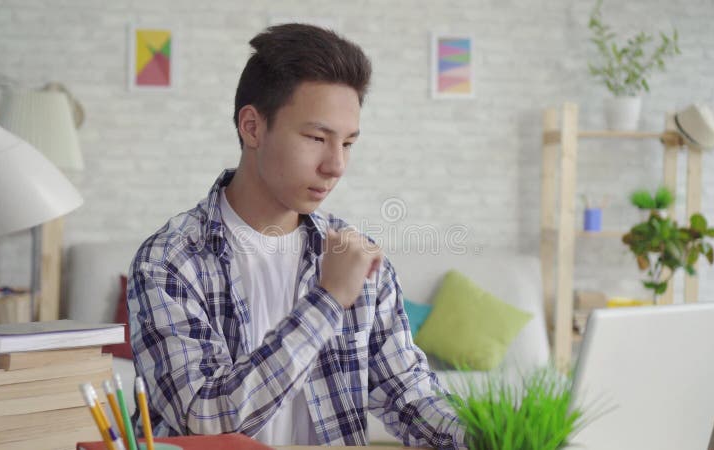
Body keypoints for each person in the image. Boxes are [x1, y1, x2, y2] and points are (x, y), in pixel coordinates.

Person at [128, 23, 465, 448]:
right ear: (251, 127)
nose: (336, 165)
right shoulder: (170, 261)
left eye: (348, 143)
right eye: (316, 138)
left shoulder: (354, 257)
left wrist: (491, 435)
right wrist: (327, 301)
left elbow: (410, 396)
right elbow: (204, 419)